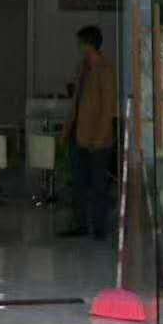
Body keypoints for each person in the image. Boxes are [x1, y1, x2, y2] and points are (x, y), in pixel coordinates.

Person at [60, 24, 117, 240]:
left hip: (97, 139)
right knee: (78, 183)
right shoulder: (83, 68)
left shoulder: (105, 69)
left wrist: (99, 138)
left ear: (88, 44)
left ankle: (99, 227)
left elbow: (108, 108)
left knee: (98, 185)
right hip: (78, 135)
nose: (79, 47)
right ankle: (81, 224)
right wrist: (67, 131)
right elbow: (76, 103)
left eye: (81, 43)